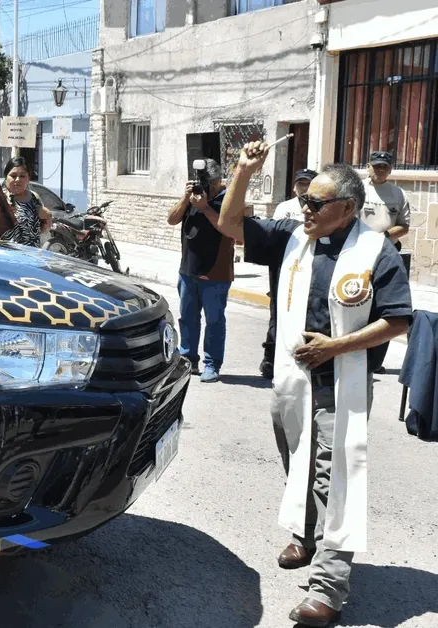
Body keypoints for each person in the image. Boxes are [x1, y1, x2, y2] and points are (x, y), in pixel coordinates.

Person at [216, 141, 412, 627]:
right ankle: (305, 535)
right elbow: (229, 224)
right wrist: (242, 172)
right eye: (304, 200)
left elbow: (397, 320)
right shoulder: (291, 235)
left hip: (338, 382)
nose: (304, 207)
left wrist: (335, 348)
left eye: (315, 203)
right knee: (296, 460)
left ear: (346, 209)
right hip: (290, 379)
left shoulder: (375, 250)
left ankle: (329, 587)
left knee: (334, 477)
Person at [166, 158, 234, 383]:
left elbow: (229, 229)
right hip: (188, 270)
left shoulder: (228, 199)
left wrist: (204, 208)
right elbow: (172, 219)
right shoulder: (192, 197)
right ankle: (188, 360)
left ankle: (212, 364)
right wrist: (186, 199)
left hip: (216, 272)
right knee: (187, 318)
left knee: (214, 321)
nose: (204, 187)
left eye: (208, 183)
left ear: (217, 182)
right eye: (201, 182)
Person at [261, 168, 318, 379]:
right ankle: (270, 358)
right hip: (283, 263)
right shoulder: (285, 208)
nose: (303, 187)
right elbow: (274, 235)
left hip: (309, 264)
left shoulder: (318, 206)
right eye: (300, 183)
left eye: (307, 183)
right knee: (277, 312)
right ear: (294, 186)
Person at [361, 151, 412, 373]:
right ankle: (354, 352)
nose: (380, 170)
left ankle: (375, 361)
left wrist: (384, 238)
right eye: (376, 166)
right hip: (357, 251)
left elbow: (404, 225)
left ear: (390, 169)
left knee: (383, 307)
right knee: (357, 302)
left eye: (384, 167)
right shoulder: (357, 189)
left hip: (385, 253)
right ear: (368, 166)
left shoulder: (398, 194)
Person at [0, 156, 52, 248]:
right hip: (6, 255)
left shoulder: (33, 197)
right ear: (6, 176)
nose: (17, 180)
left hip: (31, 256)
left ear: (28, 178)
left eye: (22, 176)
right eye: (13, 176)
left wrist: (47, 217)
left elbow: (44, 227)